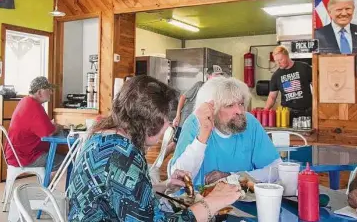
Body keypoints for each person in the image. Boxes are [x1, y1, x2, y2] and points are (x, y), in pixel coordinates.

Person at [67, 75, 241, 222]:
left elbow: (122, 193)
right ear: (148, 123)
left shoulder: (102, 138)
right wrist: (211, 203)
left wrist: (164, 186)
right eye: (166, 120)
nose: (168, 127)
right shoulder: (123, 157)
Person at [171, 77, 281, 187]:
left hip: (241, 202)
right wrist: (203, 136)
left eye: (241, 104)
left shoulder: (250, 122)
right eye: (229, 105)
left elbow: (276, 169)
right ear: (211, 109)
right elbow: (177, 179)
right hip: (198, 200)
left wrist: (232, 177)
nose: (239, 111)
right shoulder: (194, 124)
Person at [164, 66, 227, 158]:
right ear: (208, 76)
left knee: (192, 147)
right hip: (185, 120)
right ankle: (158, 164)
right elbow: (183, 97)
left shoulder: (216, 91)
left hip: (198, 123)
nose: (219, 78)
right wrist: (177, 116)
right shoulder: (199, 85)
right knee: (175, 144)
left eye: (220, 75)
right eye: (216, 75)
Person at [5, 76, 62, 168]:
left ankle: (47, 181)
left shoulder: (25, 101)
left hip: (17, 154)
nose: (51, 93)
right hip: (25, 157)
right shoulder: (35, 107)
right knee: (67, 162)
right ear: (39, 92)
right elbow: (49, 133)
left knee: (58, 156)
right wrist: (59, 127)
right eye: (48, 90)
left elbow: (39, 127)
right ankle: (48, 182)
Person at [264, 46, 312, 128]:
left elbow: (317, 87)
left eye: (280, 60)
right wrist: (264, 112)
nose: (278, 63)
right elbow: (272, 97)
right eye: (276, 61)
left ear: (287, 56)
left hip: (307, 113)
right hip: (287, 114)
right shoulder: (276, 76)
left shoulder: (304, 67)